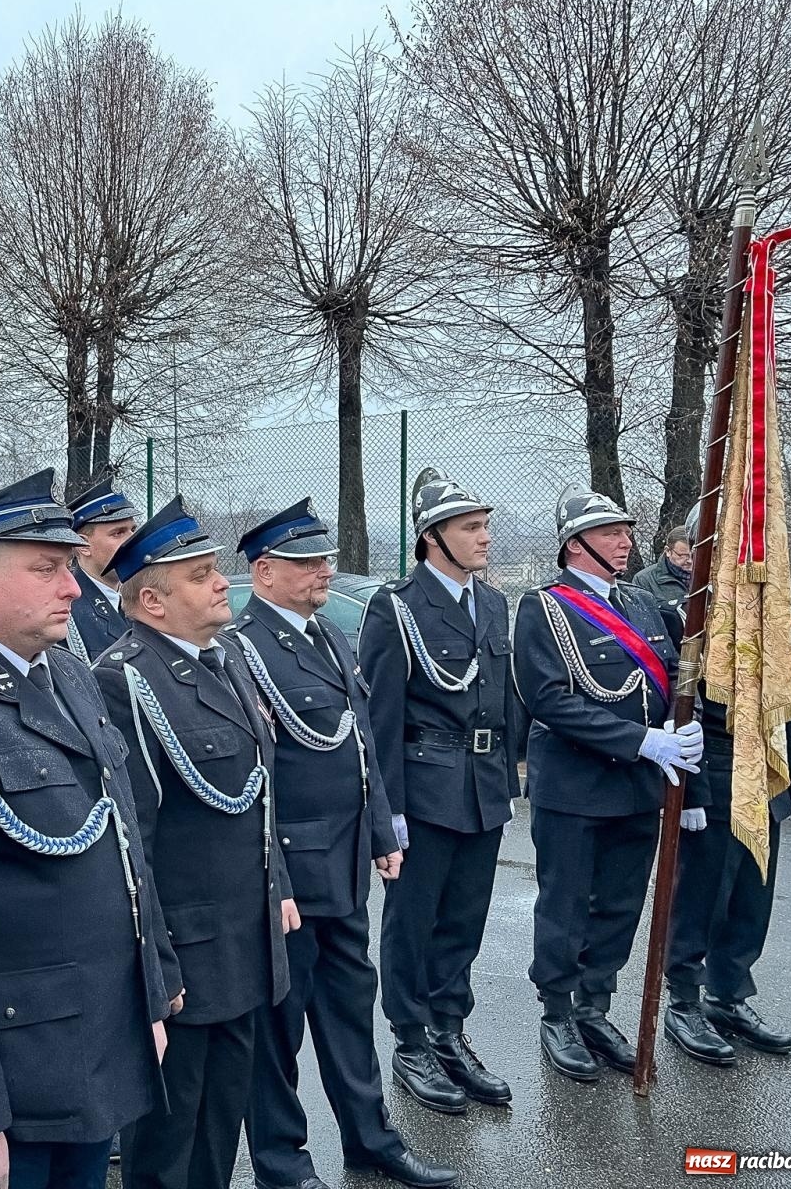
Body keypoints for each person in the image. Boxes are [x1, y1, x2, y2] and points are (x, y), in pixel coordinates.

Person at [0, 469, 174, 1189]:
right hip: (15, 1075)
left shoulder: (71, 675)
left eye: (71, 568)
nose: (74, 588)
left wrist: (151, 993)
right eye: (48, 569)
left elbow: (124, 844)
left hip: (99, 1042)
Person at [234, 500, 455, 1189]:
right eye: (306, 562)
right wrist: (276, 880)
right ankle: (282, 1163)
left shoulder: (329, 638)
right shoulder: (241, 651)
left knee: (350, 1013)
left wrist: (385, 827)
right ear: (264, 572)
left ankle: (370, 1139)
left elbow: (362, 743)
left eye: (324, 559)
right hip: (292, 876)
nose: (323, 571)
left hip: (346, 865)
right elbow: (255, 780)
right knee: (279, 1032)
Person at [91, 496, 296, 1189]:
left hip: (244, 946)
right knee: (166, 1150)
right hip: (187, 955)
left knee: (218, 1133)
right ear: (151, 600)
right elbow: (132, 840)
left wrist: (282, 894)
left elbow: (255, 801)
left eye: (215, 569)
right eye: (201, 574)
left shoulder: (225, 656)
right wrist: (156, 963)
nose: (220, 582)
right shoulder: (124, 679)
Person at [512, 488, 703, 1083]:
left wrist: (681, 734)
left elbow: (675, 679)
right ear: (575, 545)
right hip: (574, 785)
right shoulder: (542, 608)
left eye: (625, 531)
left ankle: (595, 1006)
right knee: (566, 904)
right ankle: (558, 1013)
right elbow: (547, 698)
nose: (624, 541)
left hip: (639, 787)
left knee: (620, 904)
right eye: (610, 533)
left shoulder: (646, 605)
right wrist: (641, 740)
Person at [359, 471, 518, 1115]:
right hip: (425, 790)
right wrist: (387, 810)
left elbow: (503, 701)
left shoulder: (495, 604)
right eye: (469, 529)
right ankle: (410, 1040)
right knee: (413, 921)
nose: (483, 539)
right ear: (433, 539)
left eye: (484, 527)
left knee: (463, 920)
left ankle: (449, 1029)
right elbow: (380, 719)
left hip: (482, 789)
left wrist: (508, 779)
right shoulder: (396, 607)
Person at [660, 503, 791, 1065]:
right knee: (702, 891)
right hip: (717, 764)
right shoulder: (687, 615)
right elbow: (680, 708)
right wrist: (692, 793)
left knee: (752, 891)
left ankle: (729, 992)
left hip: (764, 765)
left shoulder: (766, 613)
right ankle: (683, 998)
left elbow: (784, 699)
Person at [64, 475, 140, 660]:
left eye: (133, 530)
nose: (132, 540)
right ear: (83, 546)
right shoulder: (67, 612)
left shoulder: (142, 601)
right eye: (118, 533)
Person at [631, 525, 692, 607]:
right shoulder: (644, 580)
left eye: (694, 555)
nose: (690, 560)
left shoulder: (711, 574)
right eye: (682, 555)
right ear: (668, 551)